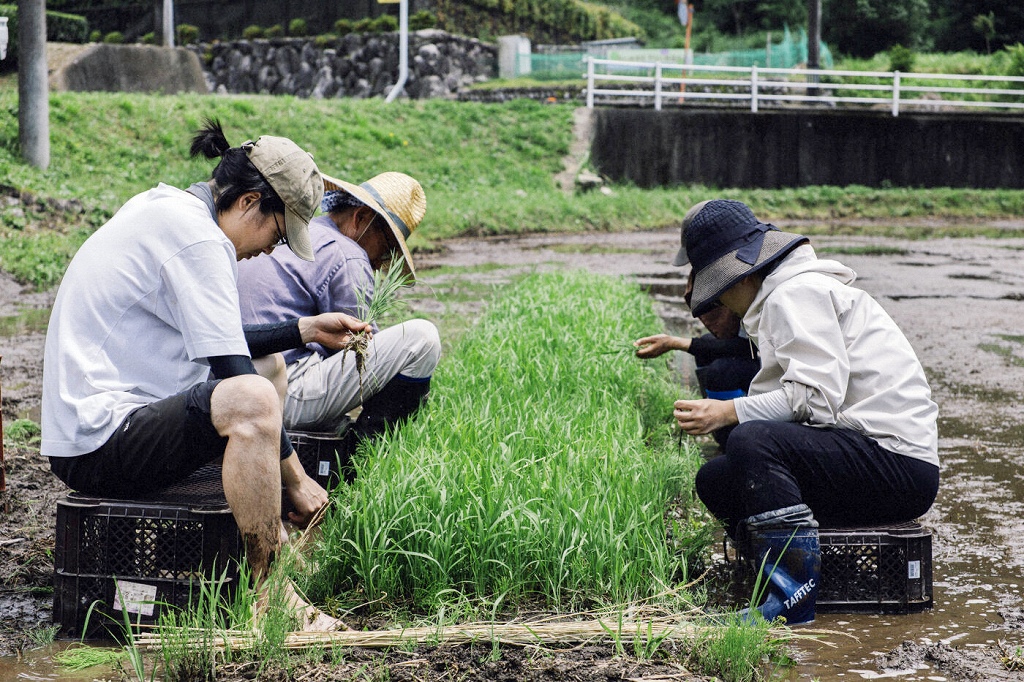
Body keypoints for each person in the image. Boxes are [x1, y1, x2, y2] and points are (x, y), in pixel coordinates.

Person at [41, 119, 367, 630]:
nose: (271, 250)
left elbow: (227, 344)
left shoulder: (171, 210)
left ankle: (269, 530)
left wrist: (303, 328)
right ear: (250, 202)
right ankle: (272, 593)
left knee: (271, 368)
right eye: (279, 234)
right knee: (253, 397)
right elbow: (232, 369)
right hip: (98, 438)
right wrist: (299, 480)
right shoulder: (197, 239)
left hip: (113, 422)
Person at [671, 199, 939, 625]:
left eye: (720, 288)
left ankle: (791, 601)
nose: (721, 299)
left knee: (751, 439)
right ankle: (805, 573)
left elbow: (813, 401)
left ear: (743, 274)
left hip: (898, 463)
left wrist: (727, 411)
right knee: (717, 479)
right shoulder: (782, 297)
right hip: (867, 456)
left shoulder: (794, 294)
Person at [236, 171, 441, 461]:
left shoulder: (301, 231)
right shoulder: (348, 253)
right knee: (421, 340)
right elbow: (359, 353)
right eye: (386, 249)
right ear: (361, 218)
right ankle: (360, 461)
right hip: (276, 391)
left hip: (230, 383)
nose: (380, 263)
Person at [635, 202, 760, 447]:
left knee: (721, 370)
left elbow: (749, 348)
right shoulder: (730, 271)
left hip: (777, 372)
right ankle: (726, 433)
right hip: (762, 361)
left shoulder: (748, 278)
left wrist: (675, 343)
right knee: (707, 349)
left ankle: (734, 439)